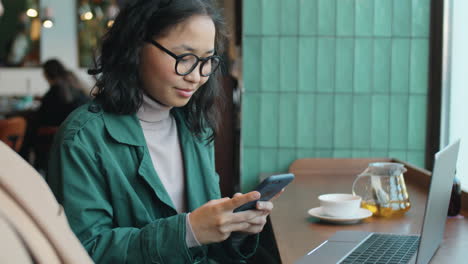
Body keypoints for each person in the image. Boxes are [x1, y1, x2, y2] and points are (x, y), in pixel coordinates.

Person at [46, 0, 279, 263]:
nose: (196, 76)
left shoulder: (195, 126)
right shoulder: (83, 138)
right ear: (135, 47)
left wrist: (234, 229)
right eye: (184, 57)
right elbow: (85, 251)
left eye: (206, 61)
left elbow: (207, 246)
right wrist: (188, 231)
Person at [19, 59, 89, 169]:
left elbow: (43, 116)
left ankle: (25, 167)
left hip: (52, 137)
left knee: (28, 129)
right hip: (77, 135)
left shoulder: (54, 92)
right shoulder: (75, 85)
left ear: (47, 74)